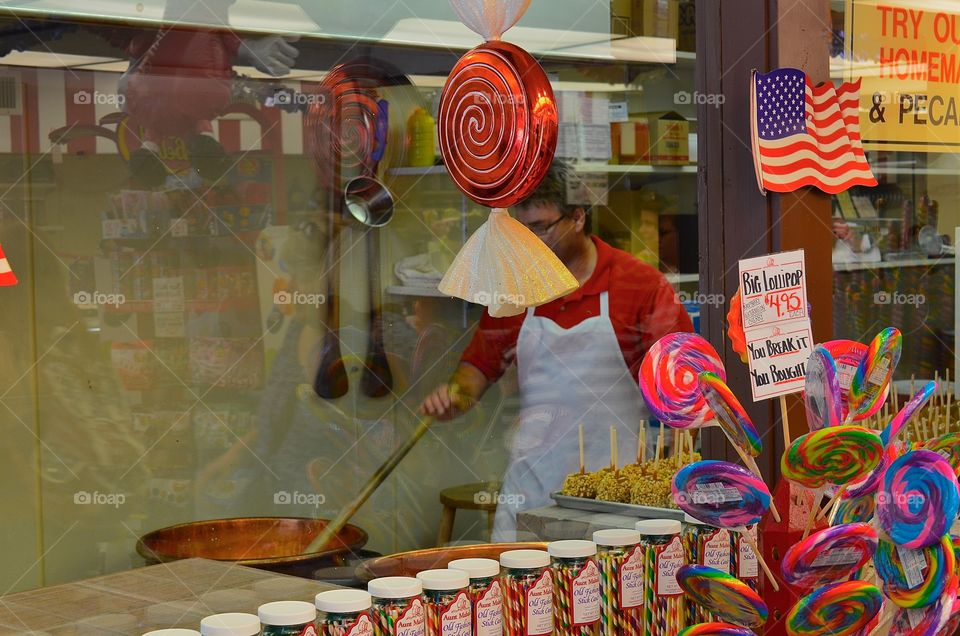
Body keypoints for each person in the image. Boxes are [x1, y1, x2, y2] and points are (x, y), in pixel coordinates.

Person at [419, 161, 694, 540]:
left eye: (541, 228)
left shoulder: (639, 285)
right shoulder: (515, 289)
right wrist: (455, 395)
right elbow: (479, 366)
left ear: (578, 218)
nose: (529, 243)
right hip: (532, 490)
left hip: (614, 496)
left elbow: (683, 380)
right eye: (521, 230)